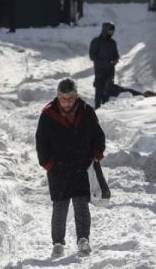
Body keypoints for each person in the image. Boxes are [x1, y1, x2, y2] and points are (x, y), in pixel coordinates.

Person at [35, 79, 106, 258]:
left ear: (76, 96)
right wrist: (49, 164)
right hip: (58, 169)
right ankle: (58, 243)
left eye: (70, 98)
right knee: (60, 207)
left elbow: (98, 135)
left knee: (81, 205)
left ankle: (83, 239)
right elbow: (41, 143)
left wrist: (97, 152)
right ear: (58, 97)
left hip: (81, 167)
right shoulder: (48, 115)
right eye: (62, 98)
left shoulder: (87, 112)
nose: (66, 102)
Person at [88, 22, 119, 108]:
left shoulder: (113, 42)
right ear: (105, 30)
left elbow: (116, 54)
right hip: (100, 71)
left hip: (110, 71)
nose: (111, 33)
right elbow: (92, 56)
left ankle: (105, 110)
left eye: (112, 31)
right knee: (99, 92)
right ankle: (97, 110)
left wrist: (115, 60)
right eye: (110, 31)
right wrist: (103, 62)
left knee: (108, 92)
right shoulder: (96, 41)